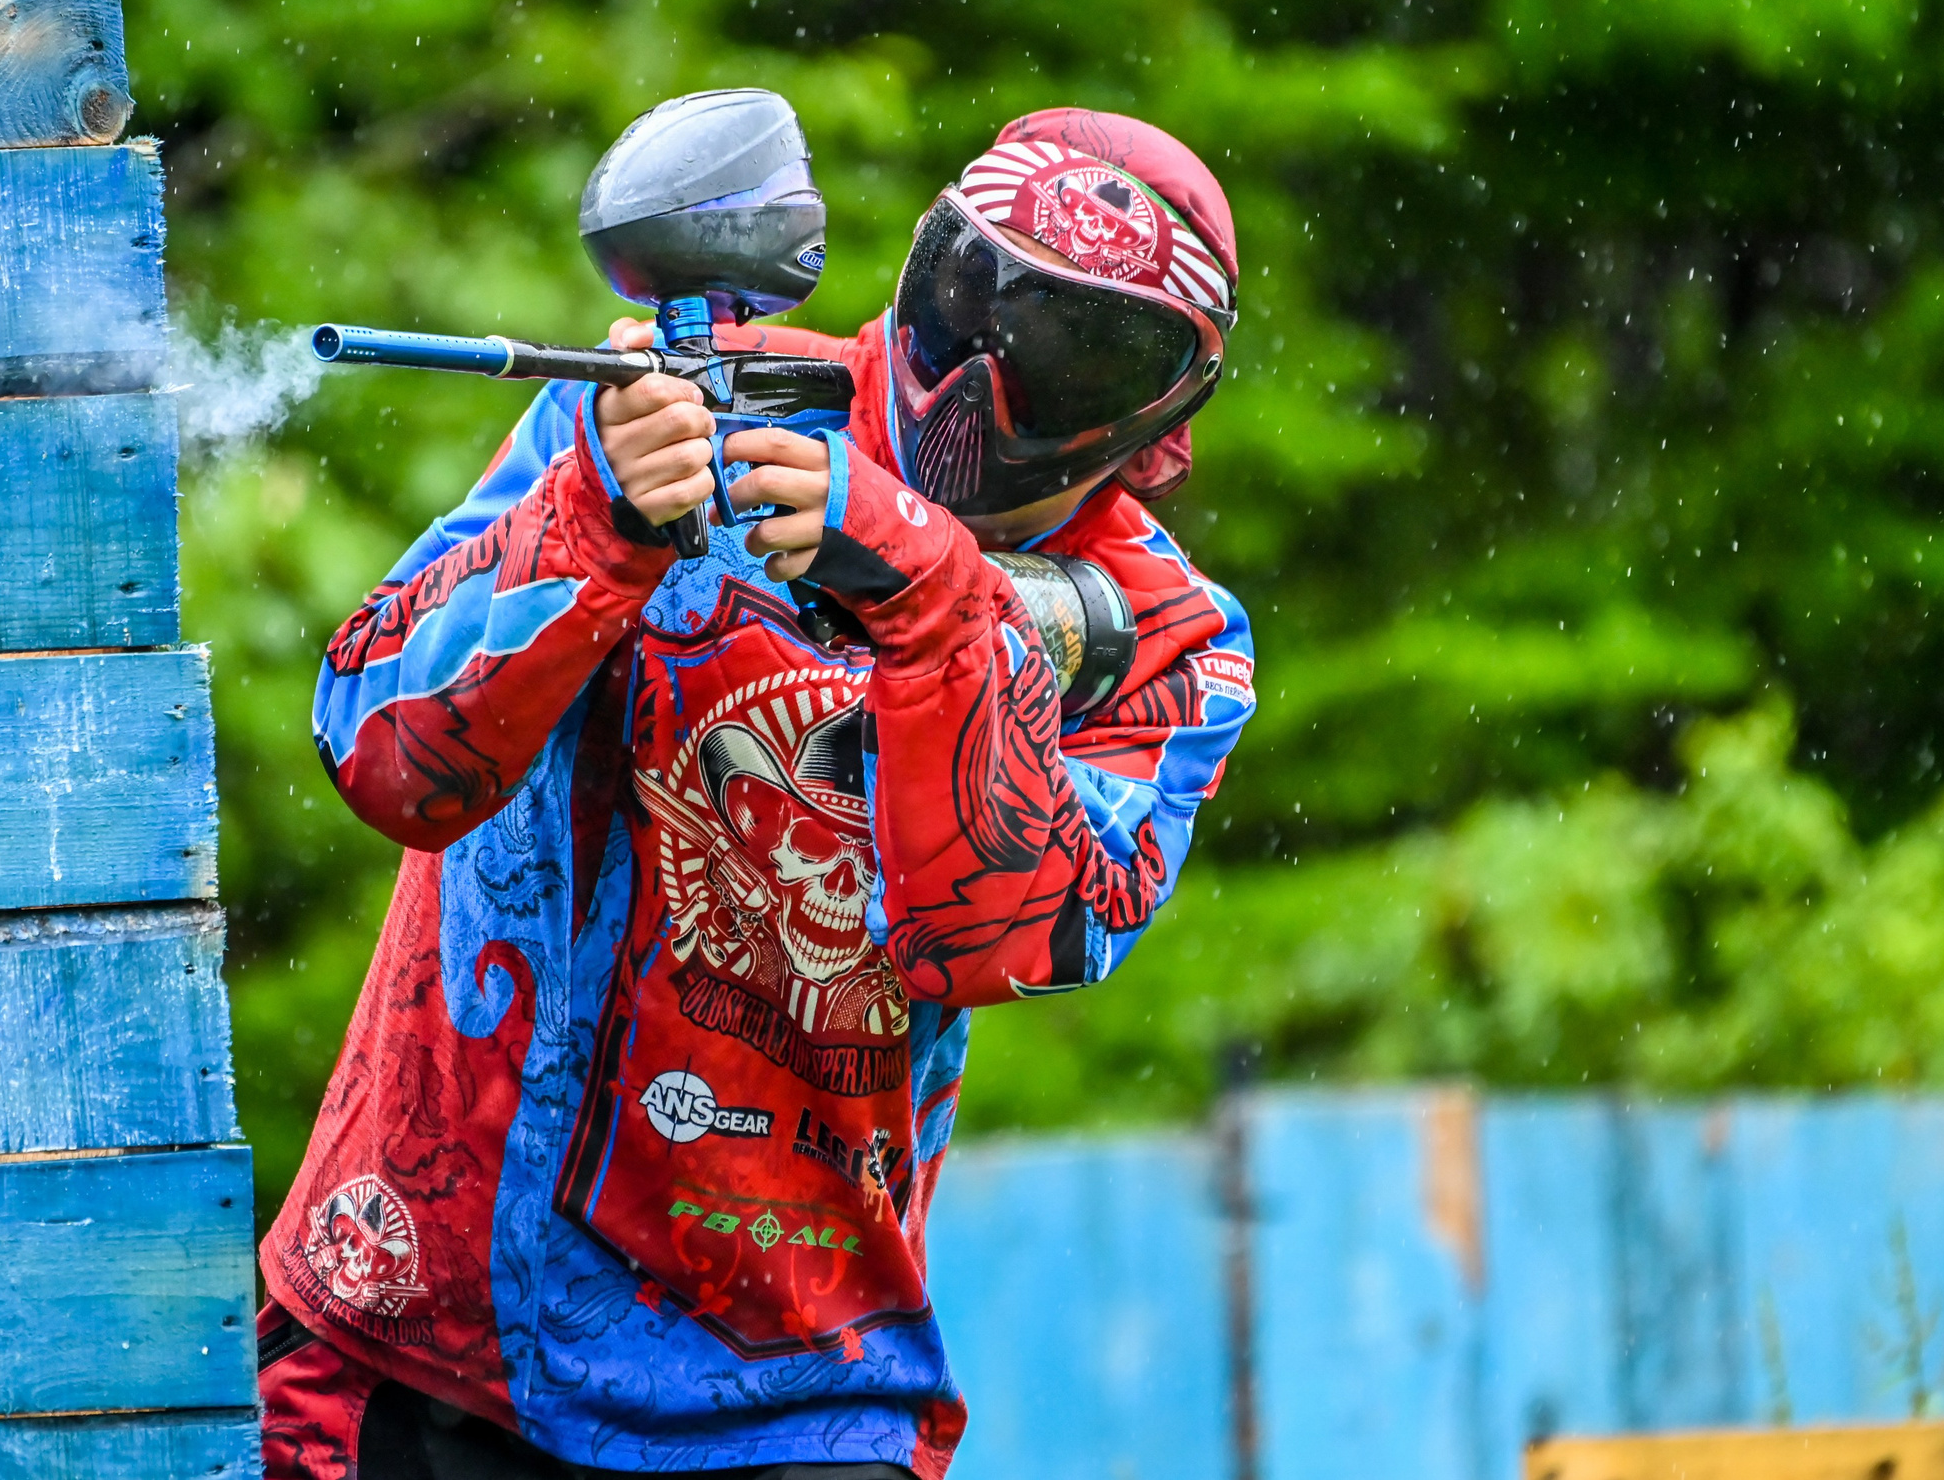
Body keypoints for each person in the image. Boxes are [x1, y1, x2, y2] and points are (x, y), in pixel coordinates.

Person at [262, 109, 1257, 1479]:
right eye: (971, 300)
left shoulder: (1168, 637)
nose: (984, 379)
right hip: (431, 1319)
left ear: (1161, 417)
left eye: (1070, 350)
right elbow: (376, 749)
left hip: (792, 1378)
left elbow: (1010, 946)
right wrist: (593, 520)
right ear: (918, 277)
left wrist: (934, 603)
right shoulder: (673, 413)